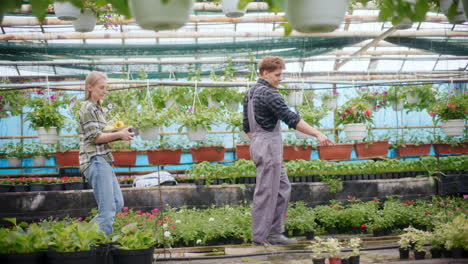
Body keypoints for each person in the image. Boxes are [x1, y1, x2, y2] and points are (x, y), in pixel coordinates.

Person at [243, 56, 334, 246]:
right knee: (267, 192)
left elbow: (247, 127)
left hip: (259, 143)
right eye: (277, 75)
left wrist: (259, 142)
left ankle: (275, 233)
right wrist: (317, 133)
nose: (280, 78)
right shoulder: (269, 94)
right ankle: (260, 239)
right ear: (265, 73)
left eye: (281, 74)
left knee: (282, 188)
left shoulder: (250, 93)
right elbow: (291, 119)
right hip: (268, 145)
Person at [78, 71, 135, 235]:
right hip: (95, 159)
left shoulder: (97, 108)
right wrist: (119, 134)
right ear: (89, 87)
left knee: (117, 203)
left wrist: (120, 131)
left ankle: (83, 235)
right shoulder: (88, 107)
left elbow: (101, 133)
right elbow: (95, 138)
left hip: (103, 159)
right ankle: (101, 247)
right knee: (107, 210)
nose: (104, 91)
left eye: (106, 88)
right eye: (101, 88)